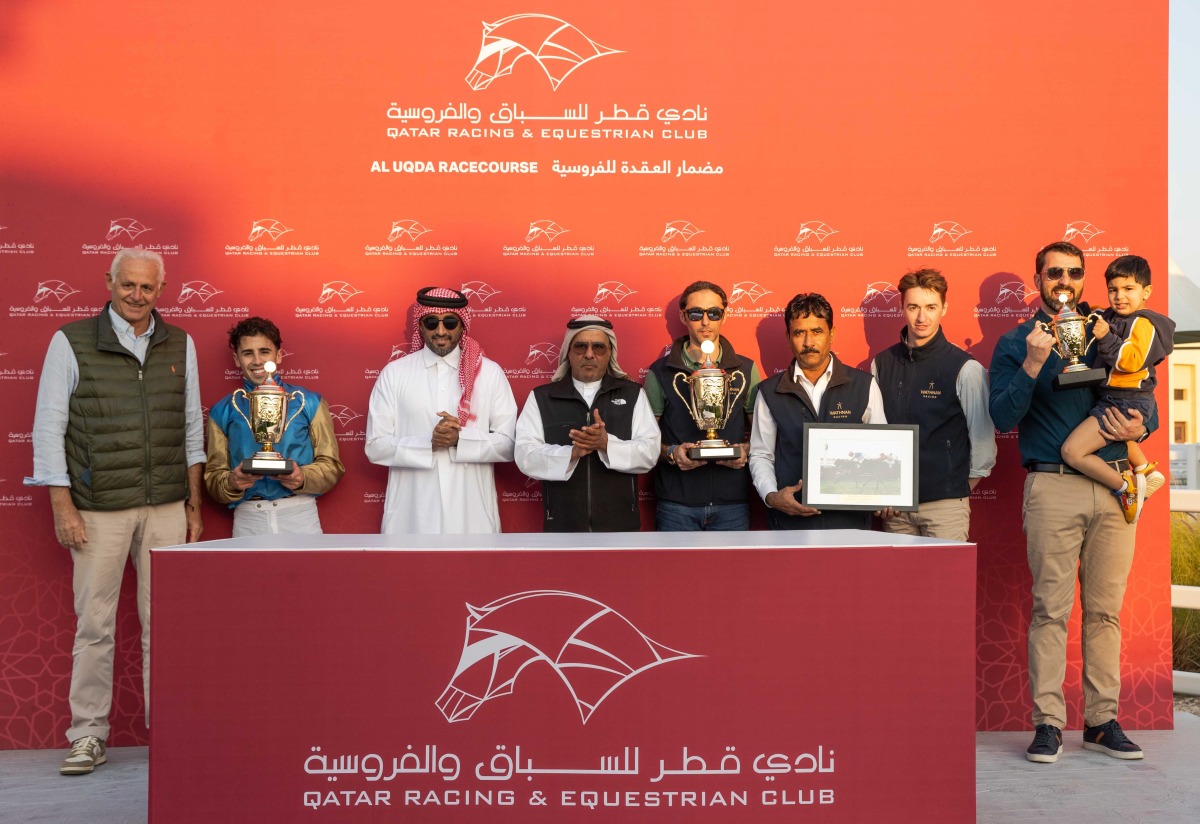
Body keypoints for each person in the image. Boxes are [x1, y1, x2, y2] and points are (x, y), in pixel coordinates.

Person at [24, 247, 205, 775]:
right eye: (128, 285)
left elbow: (191, 426)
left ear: (161, 290)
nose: (137, 296)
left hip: (167, 506)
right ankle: (87, 736)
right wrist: (63, 505)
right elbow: (48, 429)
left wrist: (193, 502)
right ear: (109, 281)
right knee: (95, 626)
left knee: (167, 626)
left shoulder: (182, 343)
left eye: (147, 288)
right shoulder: (70, 341)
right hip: (98, 509)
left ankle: (169, 735)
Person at [990, 241, 1153, 763]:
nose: (1065, 279)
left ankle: (1103, 721)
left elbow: (1141, 388)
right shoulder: (1017, 341)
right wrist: (1034, 363)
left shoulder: (1110, 331)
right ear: (1037, 277)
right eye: (1054, 271)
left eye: (1075, 272)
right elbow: (1002, 416)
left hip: (1114, 483)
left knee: (1105, 613)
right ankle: (1048, 723)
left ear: (1085, 278)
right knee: (1050, 612)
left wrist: (1143, 424)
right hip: (1052, 484)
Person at [365, 286, 517, 534]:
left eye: (449, 322)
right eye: (431, 322)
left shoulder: (489, 374)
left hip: (472, 514)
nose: (441, 331)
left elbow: (509, 444)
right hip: (411, 515)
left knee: (472, 572)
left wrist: (460, 439)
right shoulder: (394, 373)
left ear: (462, 325)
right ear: (420, 325)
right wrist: (429, 443)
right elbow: (375, 446)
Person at [871, 269, 996, 541]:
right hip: (895, 508)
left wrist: (955, 491)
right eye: (913, 307)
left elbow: (983, 439)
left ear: (944, 309)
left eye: (930, 307)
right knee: (899, 583)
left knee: (947, 583)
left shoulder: (965, 367)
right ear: (901, 307)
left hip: (946, 506)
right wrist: (882, 490)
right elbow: (874, 434)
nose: (921, 317)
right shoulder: (881, 364)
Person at [749, 292, 886, 529]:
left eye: (817, 331)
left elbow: (882, 448)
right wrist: (771, 496)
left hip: (850, 524)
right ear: (788, 337)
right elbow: (761, 454)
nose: (808, 342)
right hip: (791, 522)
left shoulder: (864, 385)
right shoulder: (769, 392)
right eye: (799, 333)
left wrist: (885, 493)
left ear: (831, 333)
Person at [515, 316, 660, 531]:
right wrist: (571, 453)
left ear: (610, 353)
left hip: (620, 524)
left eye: (599, 347)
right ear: (568, 353)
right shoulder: (542, 397)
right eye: (581, 346)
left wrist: (606, 444)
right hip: (563, 523)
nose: (589, 354)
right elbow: (525, 455)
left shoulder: (632, 394)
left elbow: (650, 452)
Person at [204, 317, 345, 536]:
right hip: (249, 517)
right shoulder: (223, 409)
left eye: (264, 351)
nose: (257, 360)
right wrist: (232, 482)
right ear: (236, 359)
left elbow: (332, 466)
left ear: (278, 355)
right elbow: (213, 478)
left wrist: (302, 477)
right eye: (248, 353)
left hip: (299, 514)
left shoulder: (309, 402)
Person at [1060, 255, 1173, 524]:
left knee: (1072, 452)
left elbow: (1131, 361)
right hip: (1114, 397)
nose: (1119, 296)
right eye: (1113, 290)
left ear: (1147, 292)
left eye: (1128, 289)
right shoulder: (1114, 316)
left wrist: (1106, 337)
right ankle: (1144, 470)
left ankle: (1126, 489)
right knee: (1121, 433)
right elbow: (1099, 316)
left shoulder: (1144, 324)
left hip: (1127, 400)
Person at [645, 281, 762, 531]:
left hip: (732, 502)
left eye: (714, 313)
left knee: (731, 571)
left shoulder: (746, 369)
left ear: (724, 316)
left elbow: (762, 434)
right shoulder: (660, 372)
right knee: (676, 571)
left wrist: (746, 450)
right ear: (683, 316)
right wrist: (671, 453)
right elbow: (646, 438)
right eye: (696, 313)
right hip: (677, 504)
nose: (705, 321)